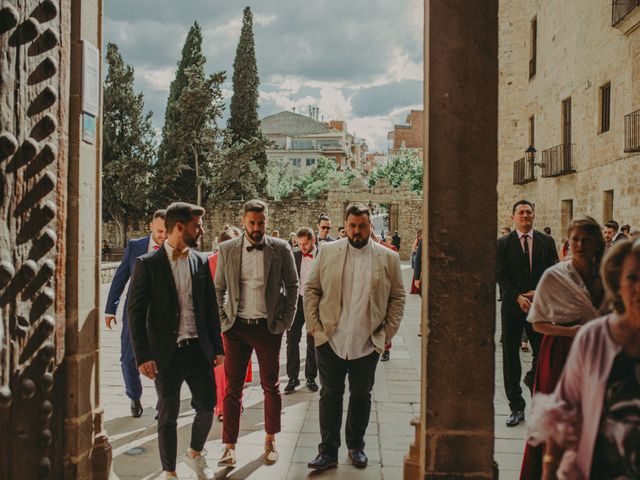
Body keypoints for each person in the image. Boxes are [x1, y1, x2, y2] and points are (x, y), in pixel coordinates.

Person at [527, 238, 640, 479]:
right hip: (598, 469)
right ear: (618, 282)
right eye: (633, 277)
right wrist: (548, 467)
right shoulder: (594, 337)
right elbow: (565, 408)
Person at [305, 203, 405, 471]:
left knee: (361, 396)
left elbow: (398, 297)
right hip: (331, 341)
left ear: (370, 226)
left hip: (366, 343)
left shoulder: (388, 257)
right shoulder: (328, 251)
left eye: (362, 226)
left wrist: (386, 335)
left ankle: (356, 446)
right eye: (352, 226)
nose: (357, 231)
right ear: (345, 226)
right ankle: (327, 451)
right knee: (329, 396)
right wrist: (315, 327)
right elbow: (312, 289)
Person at [127, 202, 224, 480]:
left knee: (207, 405)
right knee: (167, 414)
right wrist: (142, 355)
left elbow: (209, 307)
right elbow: (135, 313)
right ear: (179, 227)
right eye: (197, 225)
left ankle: (194, 454)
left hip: (198, 350)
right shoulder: (147, 264)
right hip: (165, 353)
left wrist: (217, 347)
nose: (202, 230)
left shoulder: (201, 260)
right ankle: (169, 472)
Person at [519, 216, 605, 480]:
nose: (579, 244)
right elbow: (538, 323)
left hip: (595, 352)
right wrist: (570, 332)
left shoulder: (606, 276)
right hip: (559, 352)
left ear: (596, 244)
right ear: (568, 241)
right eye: (575, 238)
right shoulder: (554, 276)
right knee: (556, 417)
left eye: (586, 239)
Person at [214, 199, 298, 467]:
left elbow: (293, 286)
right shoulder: (227, 249)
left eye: (261, 223)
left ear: (267, 221)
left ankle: (270, 440)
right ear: (243, 221)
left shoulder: (281, 248)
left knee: (271, 386)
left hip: (267, 327)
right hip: (236, 328)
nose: (257, 227)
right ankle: (228, 447)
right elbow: (218, 289)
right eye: (252, 223)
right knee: (232, 389)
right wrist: (223, 319)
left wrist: (285, 322)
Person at [496, 200, 558, 427]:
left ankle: (537, 393)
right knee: (510, 356)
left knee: (542, 352)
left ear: (534, 215)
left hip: (539, 306)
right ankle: (516, 406)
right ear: (513, 217)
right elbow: (500, 275)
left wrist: (537, 292)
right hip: (513, 307)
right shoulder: (503, 244)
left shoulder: (546, 241)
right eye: (521, 212)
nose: (525, 215)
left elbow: (553, 271)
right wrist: (518, 297)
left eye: (529, 212)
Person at [104, 209, 167, 418]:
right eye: (159, 231)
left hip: (161, 317)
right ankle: (134, 396)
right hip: (134, 315)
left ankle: (162, 403)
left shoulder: (174, 247)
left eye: (166, 231)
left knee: (163, 360)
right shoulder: (135, 247)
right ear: (151, 226)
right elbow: (120, 278)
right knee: (128, 359)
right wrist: (110, 309)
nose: (163, 235)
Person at [208, 226, 251, 422]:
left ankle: (227, 405)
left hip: (226, 320)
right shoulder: (236, 260)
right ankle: (227, 406)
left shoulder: (211, 261)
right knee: (228, 365)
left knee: (225, 365)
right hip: (228, 320)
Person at [284, 227, 319, 393]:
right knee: (291, 340)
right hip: (296, 301)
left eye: (305, 243)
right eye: (299, 244)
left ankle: (311, 377)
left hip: (314, 302)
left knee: (313, 341)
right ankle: (292, 377)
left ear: (313, 240)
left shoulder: (321, 256)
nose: (302, 247)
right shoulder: (294, 254)